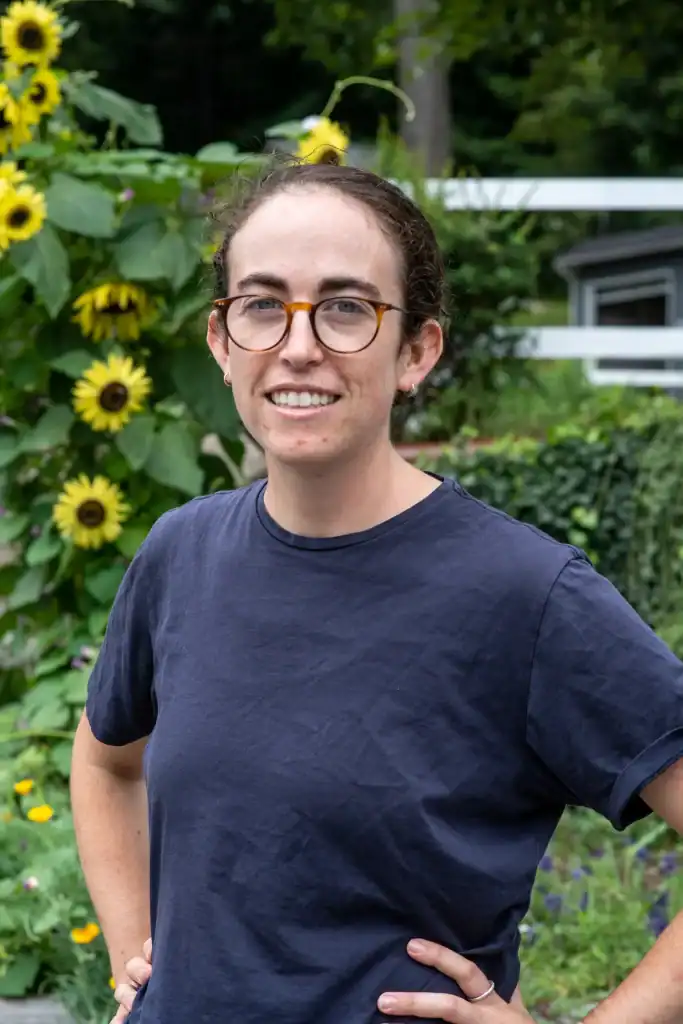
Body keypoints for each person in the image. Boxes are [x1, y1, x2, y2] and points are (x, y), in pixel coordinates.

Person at [70, 160, 683, 1024]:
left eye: (347, 307)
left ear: (416, 351)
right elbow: (102, 759)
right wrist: (136, 958)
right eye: (260, 304)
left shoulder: (524, 595)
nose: (298, 344)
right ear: (220, 339)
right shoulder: (181, 553)